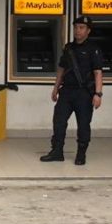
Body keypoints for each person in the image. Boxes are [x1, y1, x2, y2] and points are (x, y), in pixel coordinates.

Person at [40, 15, 104, 165]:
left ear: (88, 31)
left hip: (84, 93)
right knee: (59, 121)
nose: (77, 31)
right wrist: (55, 88)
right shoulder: (69, 48)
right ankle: (57, 151)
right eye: (76, 27)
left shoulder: (93, 49)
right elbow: (61, 69)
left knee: (83, 124)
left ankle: (81, 154)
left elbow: (98, 73)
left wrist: (98, 94)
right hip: (67, 91)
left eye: (81, 28)